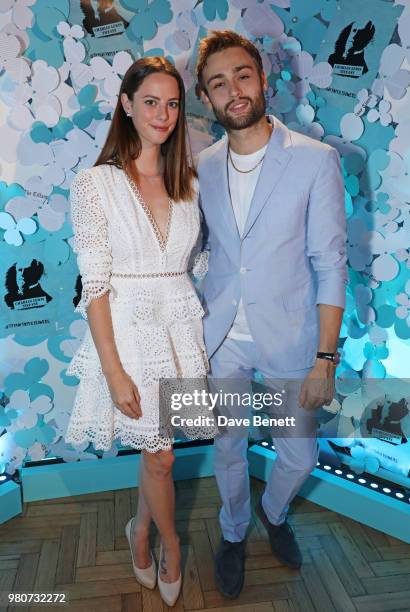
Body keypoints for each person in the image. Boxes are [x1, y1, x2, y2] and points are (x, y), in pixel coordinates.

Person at [195, 31, 347, 598]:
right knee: (228, 448)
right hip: (222, 340)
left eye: (241, 75)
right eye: (217, 83)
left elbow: (330, 265)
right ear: (206, 99)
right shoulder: (203, 166)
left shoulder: (316, 160)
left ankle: (274, 513)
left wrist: (325, 359)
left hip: (290, 339)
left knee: (299, 454)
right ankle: (233, 532)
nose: (232, 90)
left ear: (262, 79)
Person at [65, 56, 214, 607]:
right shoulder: (94, 185)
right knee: (163, 455)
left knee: (161, 451)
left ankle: (140, 529)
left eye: (172, 103)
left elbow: (198, 264)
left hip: (179, 326)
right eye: (150, 101)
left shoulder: (188, 181)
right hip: (128, 332)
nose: (164, 114)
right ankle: (169, 543)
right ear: (126, 105)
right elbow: (95, 285)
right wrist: (113, 371)